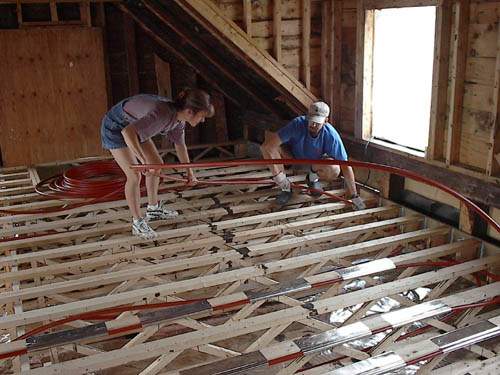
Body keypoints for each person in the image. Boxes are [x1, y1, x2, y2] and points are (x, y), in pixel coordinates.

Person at [101, 88, 214, 240]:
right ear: (189, 111)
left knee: (156, 163)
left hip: (134, 125)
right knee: (134, 175)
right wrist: (142, 161)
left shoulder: (178, 121)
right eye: (201, 116)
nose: (203, 120)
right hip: (116, 127)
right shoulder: (162, 114)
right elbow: (127, 133)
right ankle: (137, 221)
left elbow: (180, 147)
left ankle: (153, 209)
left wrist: (190, 174)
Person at [260, 101, 365, 209]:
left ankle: (311, 178)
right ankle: (285, 187)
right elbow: (267, 146)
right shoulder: (297, 124)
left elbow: (345, 165)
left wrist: (354, 195)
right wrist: (280, 178)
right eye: (311, 120)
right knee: (269, 148)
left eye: (317, 122)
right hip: (292, 158)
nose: (313, 125)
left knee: (334, 170)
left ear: (325, 121)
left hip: (315, 165)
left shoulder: (331, 135)